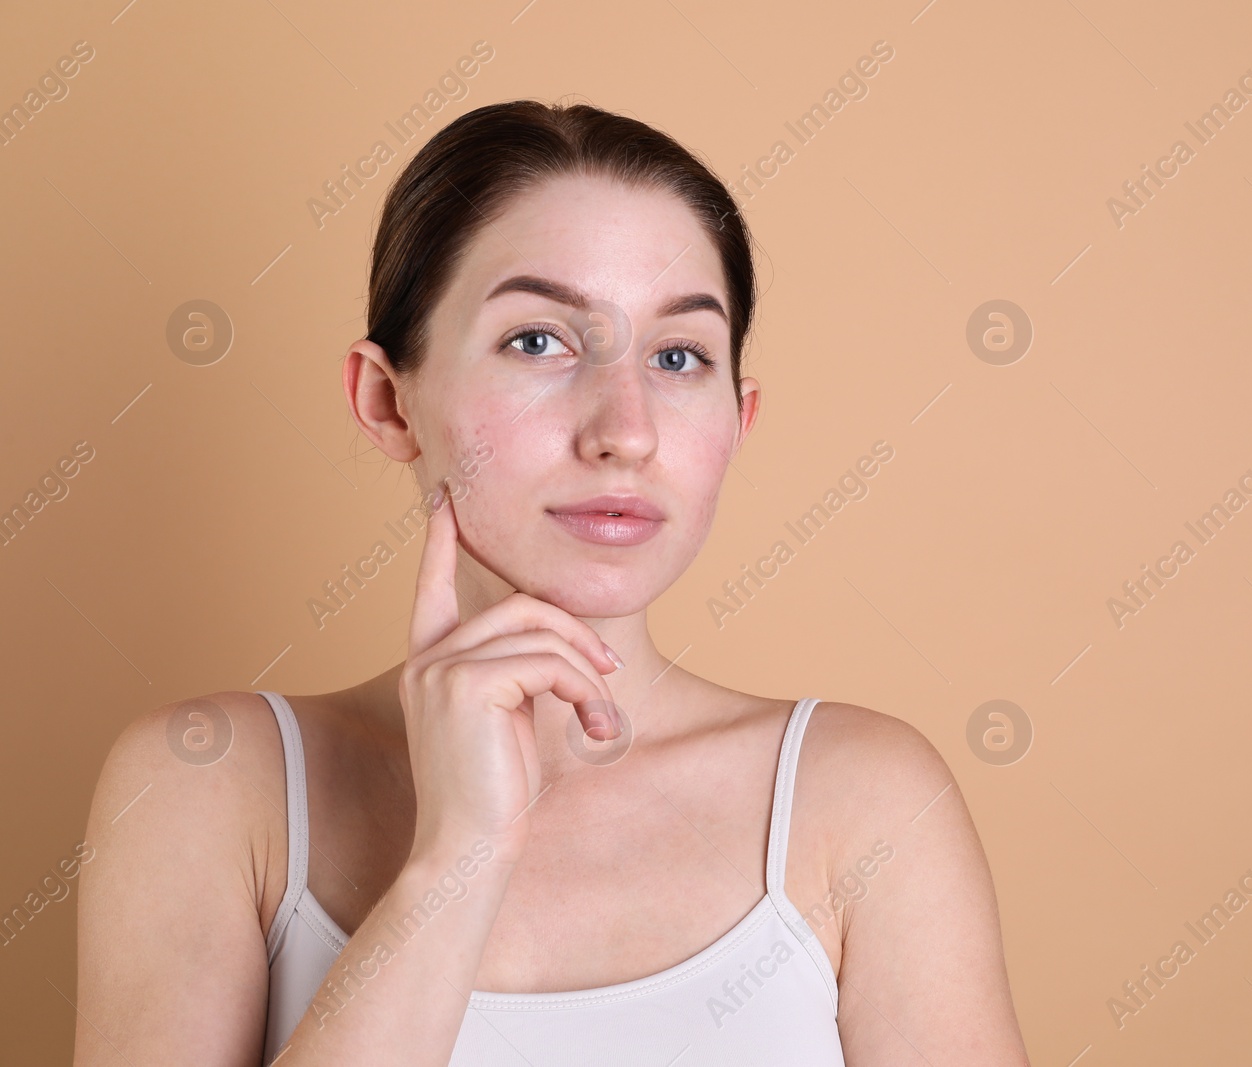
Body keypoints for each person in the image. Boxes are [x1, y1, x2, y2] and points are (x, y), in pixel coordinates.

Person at [74, 100, 1030, 1066]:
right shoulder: (207, 786)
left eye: (678, 356)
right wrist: (458, 859)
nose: (625, 428)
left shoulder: (865, 801)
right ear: (386, 399)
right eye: (539, 341)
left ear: (737, 422)